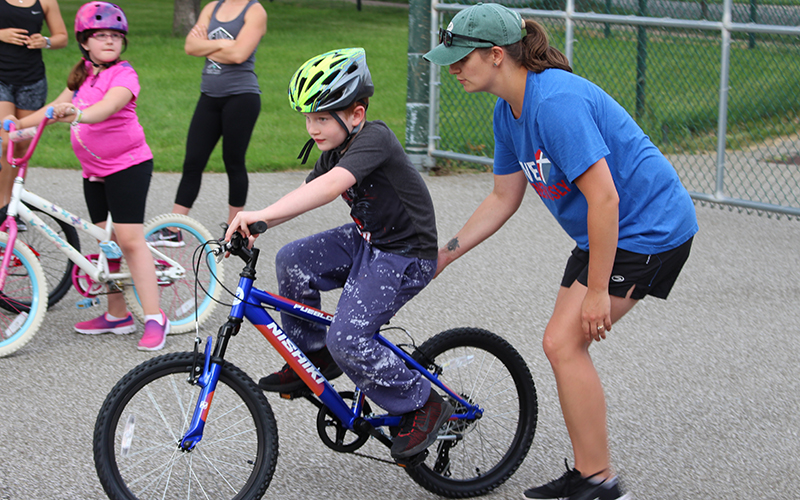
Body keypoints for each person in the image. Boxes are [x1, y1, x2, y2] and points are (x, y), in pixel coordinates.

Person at [424, 4, 698, 500]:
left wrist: (598, 291)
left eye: (461, 57)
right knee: (560, 343)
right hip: (608, 231)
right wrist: (447, 253)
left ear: (496, 55)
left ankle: (600, 483)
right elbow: (503, 197)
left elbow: (606, 196)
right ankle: (592, 475)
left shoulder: (554, 103)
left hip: (650, 228)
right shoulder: (507, 113)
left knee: (565, 343)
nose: (453, 67)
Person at [225, 48, 453, 461]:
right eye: (308, 118)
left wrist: (259, 214)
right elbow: (304, 194)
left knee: (348, 337)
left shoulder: (375, 138)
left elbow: (329, 189)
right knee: (292, 260)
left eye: (321, 117)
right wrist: (258, 224)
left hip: (405, 254)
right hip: (369, 239)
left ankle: (424, 402)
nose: (312, 127)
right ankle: (315, 355)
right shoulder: (333, 149)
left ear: (356, 114)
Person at [3, 2, 170, 351]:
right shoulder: (83, 72)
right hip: (94, 170)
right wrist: (18, 125)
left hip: (128, 166)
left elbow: (103, 110)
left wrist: (76, 113)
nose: (109, 41)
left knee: (128, 240)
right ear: (85, 43)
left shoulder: (124, 75)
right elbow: (52, 108)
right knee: (104, 241)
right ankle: (117, 314)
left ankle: (155, 318)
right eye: (100, 36)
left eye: (115, 36)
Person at [149, 0, 266, 247]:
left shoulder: (255, 11)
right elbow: (190, 46)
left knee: (233, 162)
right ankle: (173, 230)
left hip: (241, 97)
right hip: (209, 97)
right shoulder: (212, 8)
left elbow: (239, 55)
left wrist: (208, 46)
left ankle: (236, 232)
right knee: (193, 161)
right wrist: (225, 43)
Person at [0, 0, 68, 210]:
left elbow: (62, 37)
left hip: (32, 80)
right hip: (1, 77)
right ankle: (2, 206)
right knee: (5, 141)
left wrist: (45, 41)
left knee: (21, 146)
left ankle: (13, 204)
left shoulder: (46, 1)